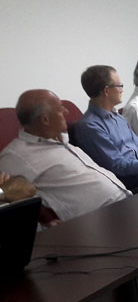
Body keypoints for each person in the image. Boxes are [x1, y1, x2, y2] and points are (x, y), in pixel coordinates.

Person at [0, 89, 130, 220]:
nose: (66, 112)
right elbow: (11, 201)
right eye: (60, 109)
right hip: (98, 220)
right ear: (45, 120)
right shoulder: (16, 156)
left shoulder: (60, 139)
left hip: (124, 202)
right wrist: (45, 223)